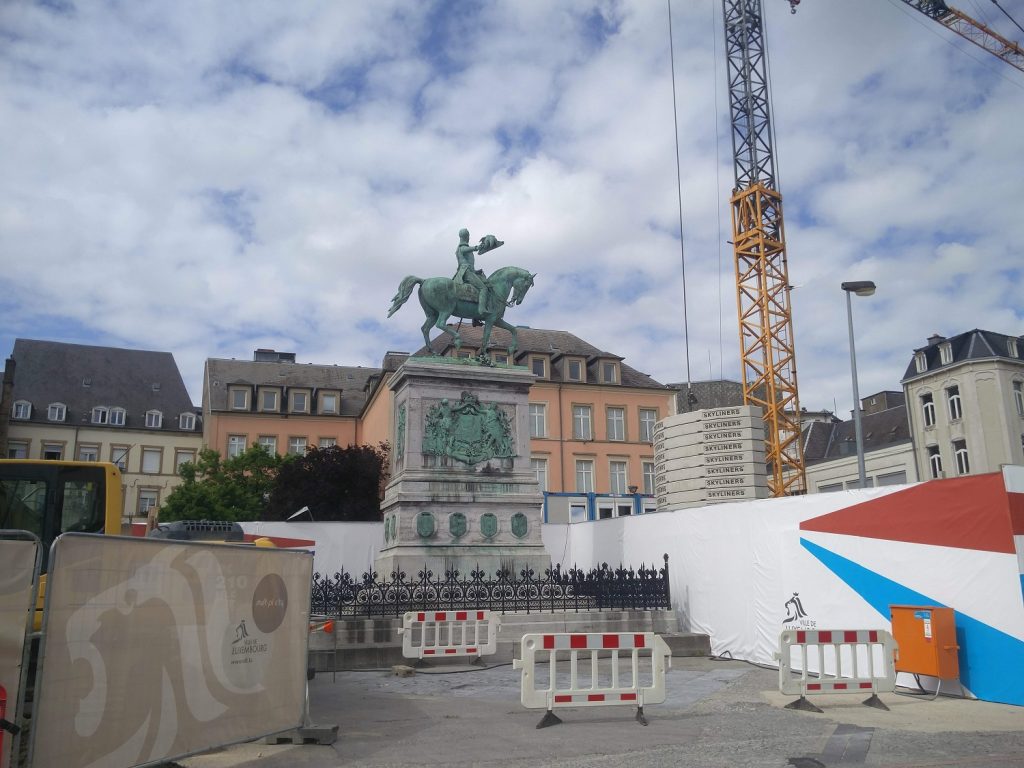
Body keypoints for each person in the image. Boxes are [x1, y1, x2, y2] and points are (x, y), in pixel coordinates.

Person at [454, 228, 492, 315]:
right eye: (468, 236)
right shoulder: (461, 247)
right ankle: (482, 309)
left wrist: (476, 271)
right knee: (483, 288)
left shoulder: (462, 247)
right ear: (467, 237)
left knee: (487, 285)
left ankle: (475, 317)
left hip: (470, 272)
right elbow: (465, 250)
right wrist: (476, 247)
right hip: (467, 273)